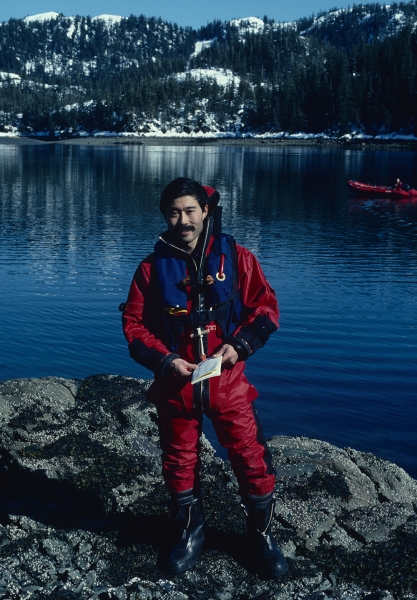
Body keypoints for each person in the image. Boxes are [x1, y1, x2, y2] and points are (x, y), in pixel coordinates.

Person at [121, 177, 288, 579]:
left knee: (250, 458)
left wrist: (240, 345)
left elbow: (265, 309)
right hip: (175, 383)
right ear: (165, 216)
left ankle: (260, 534)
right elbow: (134, 326)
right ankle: (191, 531)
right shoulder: (150, 269)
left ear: (205, 211)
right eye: (174, 212)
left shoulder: (237, 257)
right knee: (178, 461)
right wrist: (164, 361)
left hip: (227, 382)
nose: (183, 220)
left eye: (190, 211)